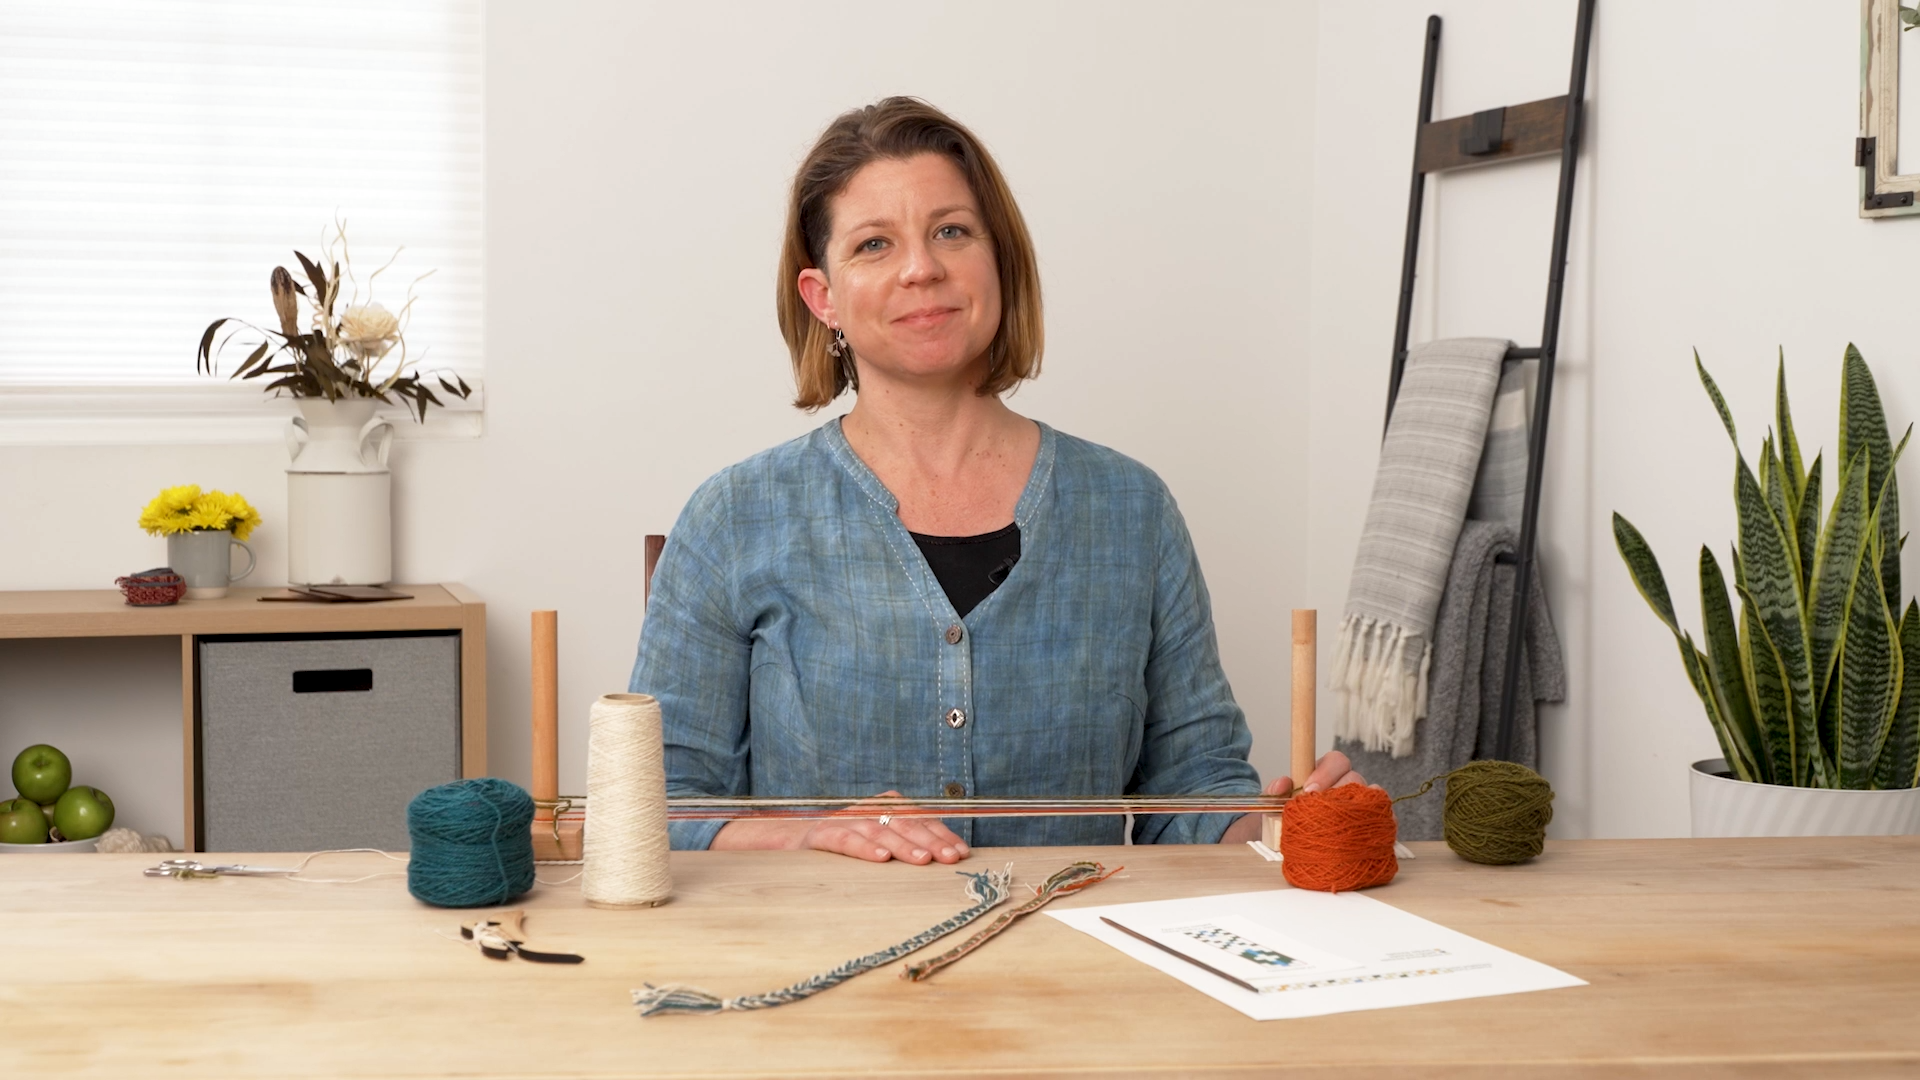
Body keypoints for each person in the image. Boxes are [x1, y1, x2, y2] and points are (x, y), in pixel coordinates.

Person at [630, 97, 1362, 865]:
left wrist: (1285, 829)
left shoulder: (1132, 510)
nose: (922, 268)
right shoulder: (734, 517)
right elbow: (653, 808)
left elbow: (1195, 794)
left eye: (952, 231)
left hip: (1068, 943)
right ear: (824, 298)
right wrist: (806, 834)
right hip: (820, 943)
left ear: (999, 262)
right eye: (874, 244)